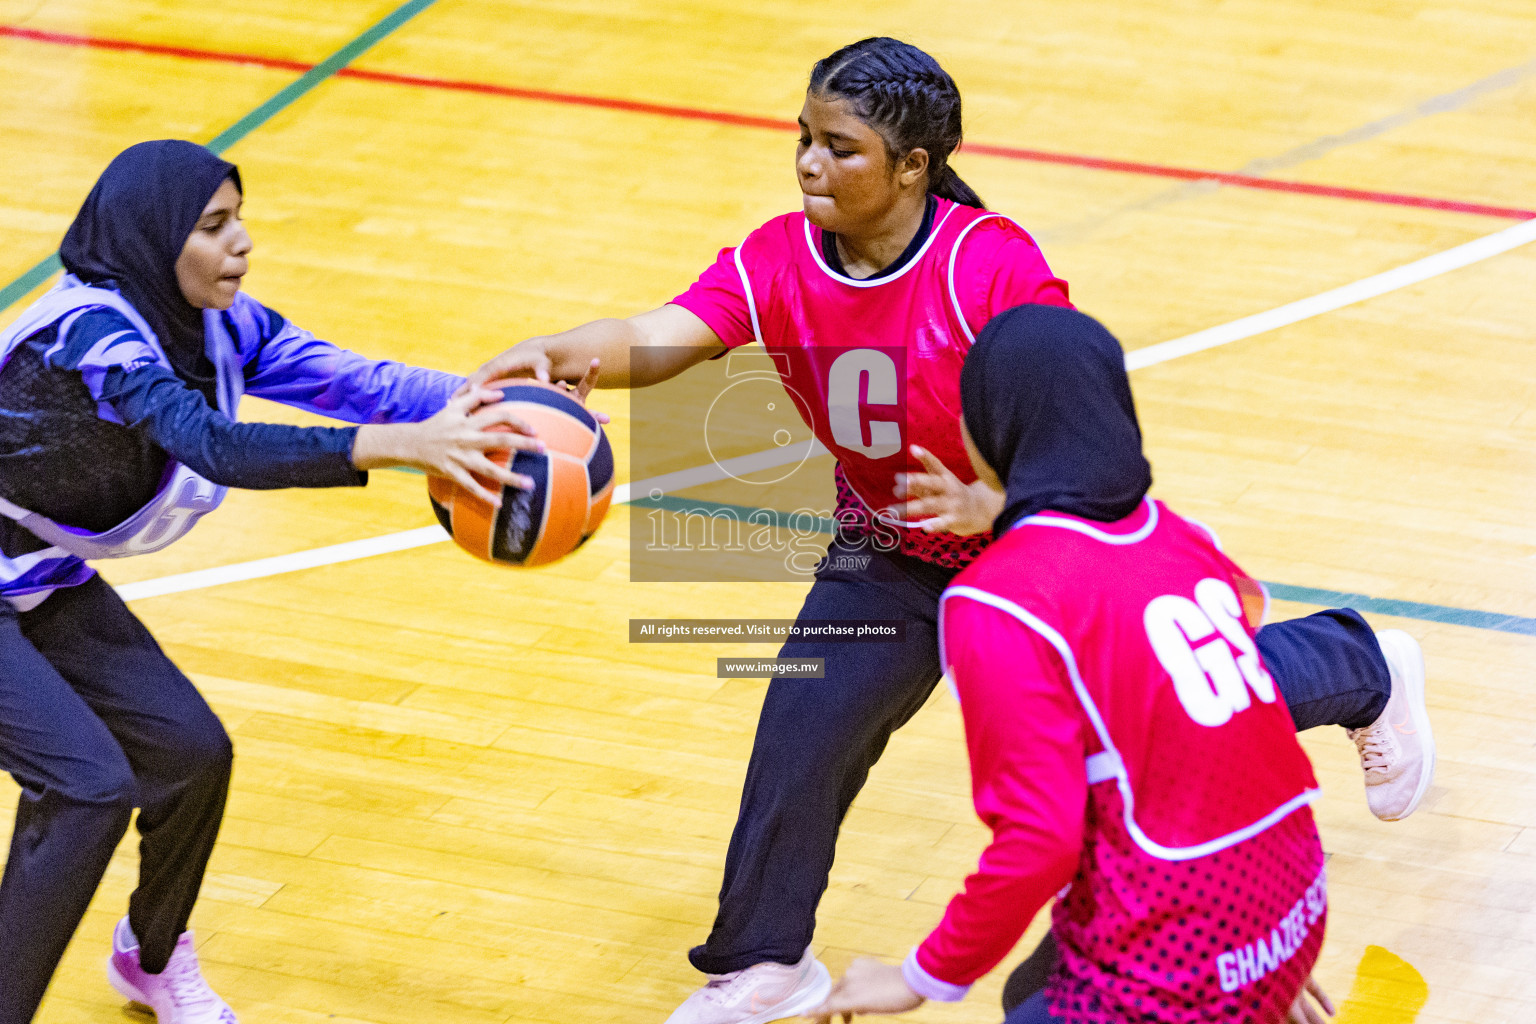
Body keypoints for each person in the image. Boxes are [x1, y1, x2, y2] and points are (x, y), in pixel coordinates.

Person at [461, 37, 1432, 1024]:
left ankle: (1364, 667)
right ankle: (765, 960)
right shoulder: (781, 258)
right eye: (803, 137)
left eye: (840, 147)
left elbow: (1074, 408)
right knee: (801, 735)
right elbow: (663, 334)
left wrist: (1003, 509)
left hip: (1035, 557)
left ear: (913, 165)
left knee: (1185, 706)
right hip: (889, 553)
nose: (808, 163)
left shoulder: (990, 264)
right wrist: (559, 349)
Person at [0, 140, 557, 1024]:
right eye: (214, 226)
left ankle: (147, 959)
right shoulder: (91, 334)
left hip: (30, 568)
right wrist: (391, 451)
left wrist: (506, 400)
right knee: (86, 786)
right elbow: (210, 441)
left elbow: (358, 383)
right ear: (151, 238)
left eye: (240, 219)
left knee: (190, 755)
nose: (242, 243)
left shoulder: (219, 323)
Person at [808, 303, 1338, 1024]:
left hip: (1190, 960)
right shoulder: (1176, 535)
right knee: (1033, 984)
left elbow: (1039, 840)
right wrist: (1270, 953)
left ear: (993, 426)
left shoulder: (996, 604)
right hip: (1291, 906)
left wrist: (918, 978)